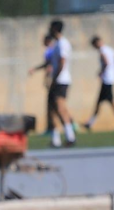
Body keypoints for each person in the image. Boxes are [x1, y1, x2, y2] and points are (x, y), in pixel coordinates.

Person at [84, 36, 114, 131]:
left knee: (110, 101)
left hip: (107, 79)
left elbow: (106, 62)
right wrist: (113, 69)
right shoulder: (110, 49)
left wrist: (101, 72)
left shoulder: (102, 51)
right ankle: (90, 123)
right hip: (111, 78)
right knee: (102, 102)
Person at [47, 19, 76, 148]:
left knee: (60, 108)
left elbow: (62, 62)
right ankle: (56, 139)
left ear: (55, 29)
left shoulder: (63, 43)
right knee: (53, 109)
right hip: (57, 79)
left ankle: (70, 136)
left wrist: (55, 78)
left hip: (61, 80)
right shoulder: (57, 44)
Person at [28, 34, 56, 134]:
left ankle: (54, 128)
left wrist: (48, 76)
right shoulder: (52, 49)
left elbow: (50, 65)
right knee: (53, 104)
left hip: (52, 78)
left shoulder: (51, 50)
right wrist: (35, 69)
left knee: (55, 104)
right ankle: (51, 127)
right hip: (52, 78)